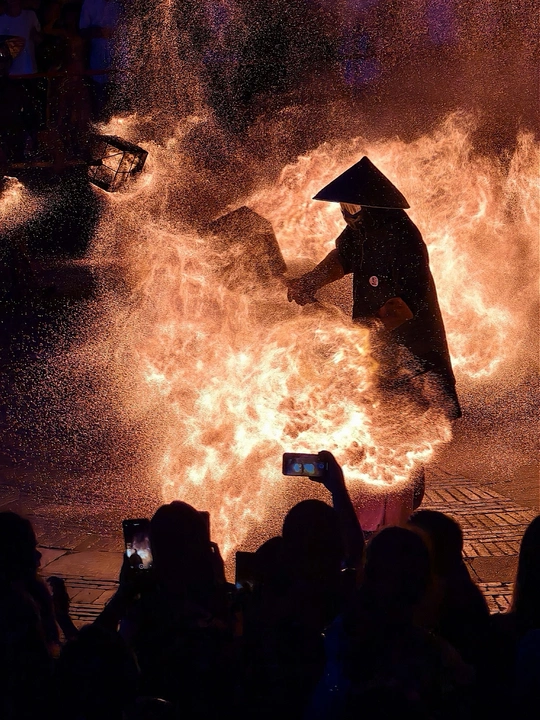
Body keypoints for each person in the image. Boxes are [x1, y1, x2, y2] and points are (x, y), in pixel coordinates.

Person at [287, 157, 461, 525]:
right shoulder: (363, 232)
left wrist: (367, 330)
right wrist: (310, 281)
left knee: (397, 443)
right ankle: (367, 528)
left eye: (350, 205)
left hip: (411, 367)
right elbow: (342, 257)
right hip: (377, 363)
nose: (346, 212)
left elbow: (405, 303)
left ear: (371, 205)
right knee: (368, 436)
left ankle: (393, 534)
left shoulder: (402, 238)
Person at [79, 0, 121, 120]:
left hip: (118, 63)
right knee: (99, 102)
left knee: (117, 105)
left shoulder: (119, 3)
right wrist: (100, 31)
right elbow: (82, 31)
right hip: (98, 62)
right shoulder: (90, 3)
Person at [0, 0, 41, 75]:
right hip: (10, 73)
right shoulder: (1, 20)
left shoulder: (30, 15)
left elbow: (39, 39)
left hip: (30, 70)